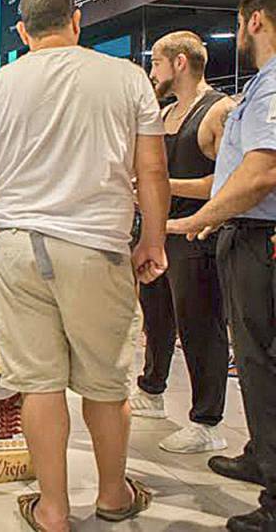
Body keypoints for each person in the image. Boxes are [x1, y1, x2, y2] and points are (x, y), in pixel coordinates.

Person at [0, 0, 168, 531]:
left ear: (22, 30)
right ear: (77, 21)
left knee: (38, 385)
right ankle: (113, 497)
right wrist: (153, 239)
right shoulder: (127, 78)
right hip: (97, 247)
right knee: (107, 384)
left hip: (19, 248)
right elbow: (152, 170)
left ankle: (53, 509)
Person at [168, 0, 276, 532]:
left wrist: (196, 218)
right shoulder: (259, 87)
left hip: (263, 239)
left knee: (261, 361)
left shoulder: (272, 86)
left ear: (254, 21)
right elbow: (234, 174)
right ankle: (262, 453)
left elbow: (260, 174)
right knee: (254, 362)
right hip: (244, 235)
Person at [130, 31, 236, 454]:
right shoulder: (167, 112)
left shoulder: (219, 111)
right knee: (154, 317)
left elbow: (226, 184)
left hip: (196, 234)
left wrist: (160, 184)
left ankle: (207, 420)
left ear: (178, 62)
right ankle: (152, 390)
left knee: (200, 326)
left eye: (156, 63)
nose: (152, 72)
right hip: (159, 232)